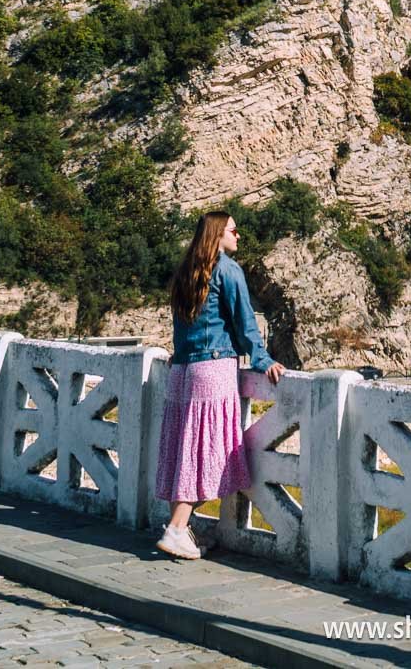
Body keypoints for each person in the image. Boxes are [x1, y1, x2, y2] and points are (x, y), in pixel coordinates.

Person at [155, 210, 284, 560]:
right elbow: (245, 322)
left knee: (184, 451)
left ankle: (183, 532)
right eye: (233, 230)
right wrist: (262, 359)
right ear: (217, 234)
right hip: (212, 370)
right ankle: (177, 528)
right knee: (207, 454)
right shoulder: (226, 269)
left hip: (183, 371)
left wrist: (180, 353)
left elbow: (181, 327)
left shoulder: (188, 270)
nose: (238, 236)